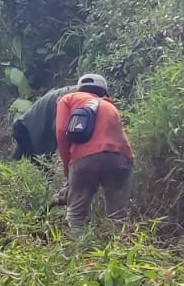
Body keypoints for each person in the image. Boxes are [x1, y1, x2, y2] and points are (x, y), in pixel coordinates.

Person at [54, 73, 134, 229]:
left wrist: (67, 168)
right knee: (118, 216)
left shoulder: (69, 99)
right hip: (121, 159)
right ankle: (121, 249)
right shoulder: (110, 106)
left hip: (84, 159)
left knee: (76, 215)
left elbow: (62, 130)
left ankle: (78, 250)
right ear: (103, 91)